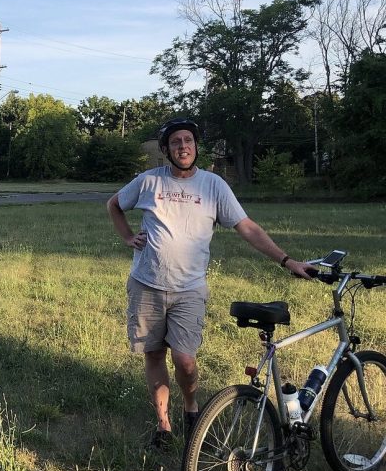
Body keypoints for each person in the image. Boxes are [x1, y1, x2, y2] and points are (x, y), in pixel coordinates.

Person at [107, 118, 314, 450]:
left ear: (196, 146)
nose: (183, 146)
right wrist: (128, 236)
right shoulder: (148, 182)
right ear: (166, 150)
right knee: (154, 354)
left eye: (188, 140)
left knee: (185, 361)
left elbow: (246, 227)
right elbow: (114, 205)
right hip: (146, 284)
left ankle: (191, 406)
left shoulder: (213, 185)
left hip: (189, 289)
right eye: (176, 142)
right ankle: (163, 425)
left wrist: (287, 261)